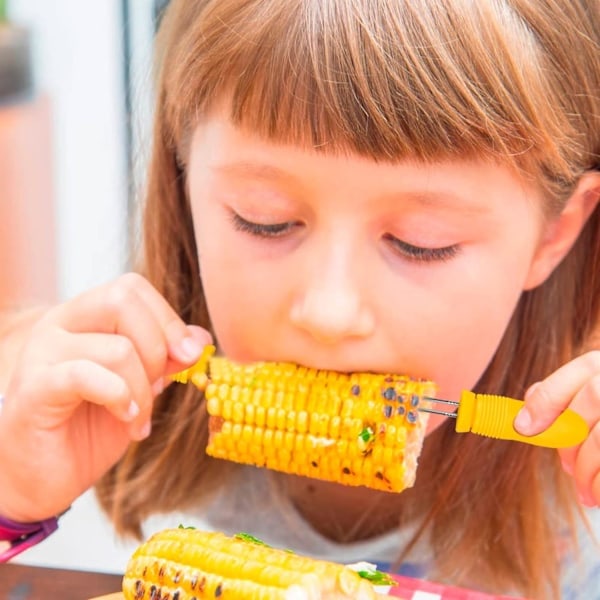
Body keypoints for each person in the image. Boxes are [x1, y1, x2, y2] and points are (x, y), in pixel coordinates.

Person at [0, 0, 599, 598]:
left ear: (553, 234)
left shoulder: (584, 467)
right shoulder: (70, 403)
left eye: (421, 244)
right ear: (184, 182)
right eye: (265, 221)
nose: (328, 312)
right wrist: (13, 499)